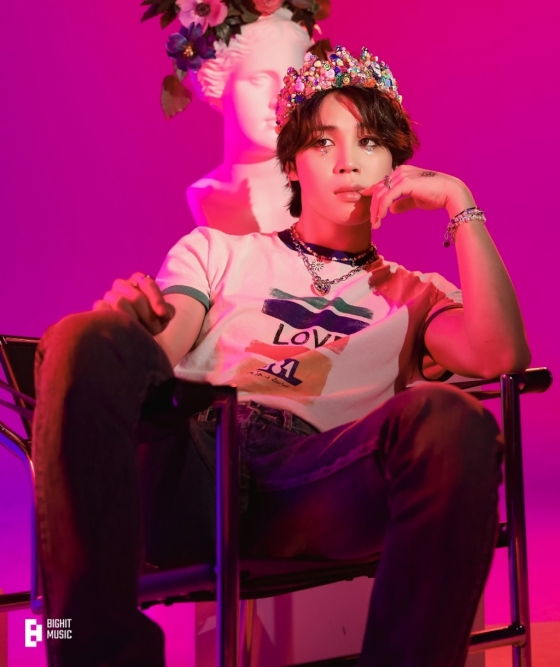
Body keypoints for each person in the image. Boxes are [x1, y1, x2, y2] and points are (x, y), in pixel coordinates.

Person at [33, 46, 531, 666]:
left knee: (455, 419)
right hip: (193, 464)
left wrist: (460, 201)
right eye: (324, 142)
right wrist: (129, 332)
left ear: (395, 166)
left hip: (316, 481)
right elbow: (164, 346)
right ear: (292, 164)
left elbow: (502, 352)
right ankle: (99, 656)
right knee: (82, 336)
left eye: (370, 142)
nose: (349, 161)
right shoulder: (217, 251)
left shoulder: (416, 294)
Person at [185, 7, 312, 234]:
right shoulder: (205, 198)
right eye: (260, 79)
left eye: (292, 80)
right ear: (218, 83)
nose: (281, 100)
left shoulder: (324, 195)